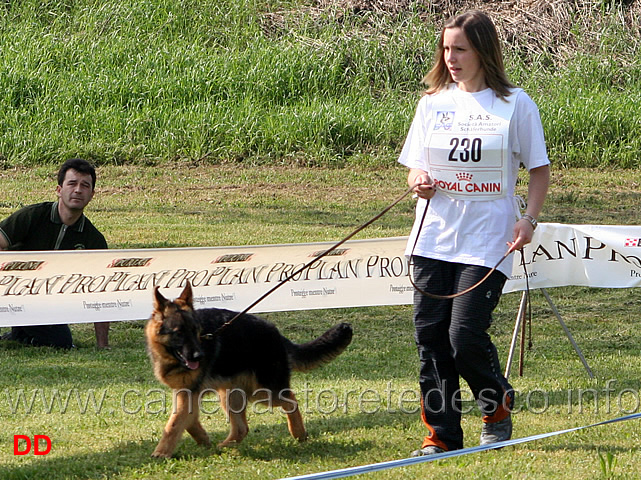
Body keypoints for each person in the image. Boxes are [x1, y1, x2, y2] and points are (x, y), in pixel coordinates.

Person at [398, 11, 550, 456]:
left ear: (483, 51)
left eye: (460, 49)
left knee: (463, 336)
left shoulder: (515, 104)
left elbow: (538, 169)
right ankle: (441, 437)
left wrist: (530, 219)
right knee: (431, 340)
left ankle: (496, 405)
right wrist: (418, 180)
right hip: (433, 237)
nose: (451, 58)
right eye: (446, 49)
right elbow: (415, 165)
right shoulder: (432, 103)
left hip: (489, 239)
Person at [0, 158, 110, 349]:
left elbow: (102, 290)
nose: (78, 190)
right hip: (12, 289)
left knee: (61, 343)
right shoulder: (33, 216)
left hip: (47, 302)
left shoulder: (93, 239)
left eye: (85, 186)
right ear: (59, 190)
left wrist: (102, 344)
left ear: (92, 195)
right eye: (72, 183)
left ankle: (20, 333)